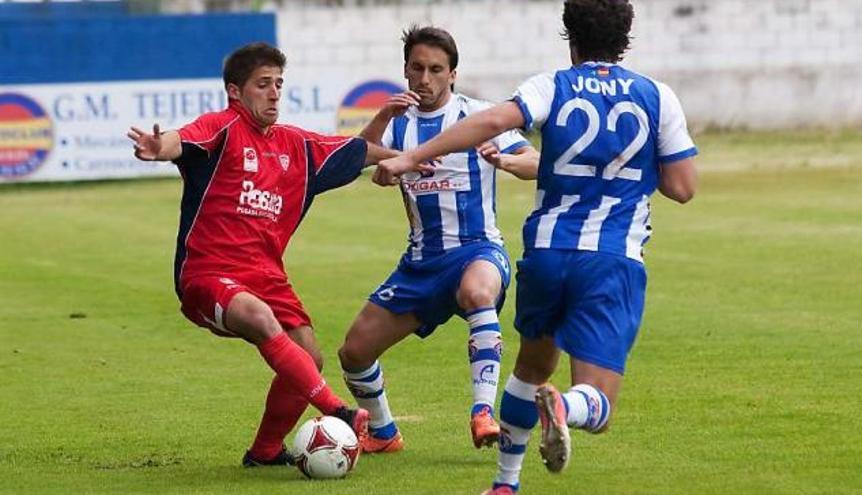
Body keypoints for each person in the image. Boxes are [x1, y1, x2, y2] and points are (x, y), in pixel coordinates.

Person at [377, 1, 698, 492]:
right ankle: (565, 407)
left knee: (529, 369)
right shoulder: (657, 96)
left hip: (547, 254)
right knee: (597, 402)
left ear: (570, 35)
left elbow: (491, 122)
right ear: (626, 37)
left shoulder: (551, 85)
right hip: (610, 258)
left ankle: (506, 484)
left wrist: (413, 157)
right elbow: (682, 187)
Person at [126, 42, 419, 467]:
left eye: (279, 84)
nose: (274, 93)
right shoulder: (221, 128)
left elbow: (358, 152)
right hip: (207, 273)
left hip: (267, 276)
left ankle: (264, 452)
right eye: (263, 84)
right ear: (235, 92)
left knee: (309, 355)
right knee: (260, 319)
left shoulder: (297, 146)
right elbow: (179, 140)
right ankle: (338, 411)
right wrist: (160, 147)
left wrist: (412, 158)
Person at [336, 25, 539, 454]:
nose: (425, 79)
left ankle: (483, 413)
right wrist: (381, 119)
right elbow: (352, 159)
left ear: (452, 74)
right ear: (406, 72)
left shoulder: (480, 117)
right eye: (417, 68)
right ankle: (385, 432)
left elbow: (536, 162)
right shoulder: (398, 125)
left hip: (478, 250)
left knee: (478, 291)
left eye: (435, 69)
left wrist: (502, 160)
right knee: (354, 352)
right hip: (421, 264)